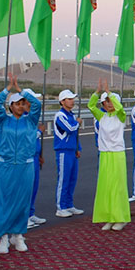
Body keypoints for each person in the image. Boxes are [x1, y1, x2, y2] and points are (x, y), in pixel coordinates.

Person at [0, 76, 42, 254]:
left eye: (22, 104)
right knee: (4, 201)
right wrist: (7, 90)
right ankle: (3, 237)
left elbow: (37, 106)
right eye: (17, 104)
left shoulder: (30, 120)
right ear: (11, 106)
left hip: (25, 166)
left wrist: (22, 91)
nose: (20, 106)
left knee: (22, 201)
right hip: (6, 165)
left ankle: (18, 235)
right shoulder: (3, 120)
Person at [88, 81, 132, 231]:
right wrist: (97, 92)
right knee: (106, 187)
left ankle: (121, 218)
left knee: (118, 187)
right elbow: (91, 106)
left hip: (117, 154)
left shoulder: (121, 116)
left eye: (110, 101)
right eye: (105, 101)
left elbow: (120, 109)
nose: (108, 104)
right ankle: (109, 217)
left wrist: (109, 92)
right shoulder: (102, 117)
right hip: (105, 154)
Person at [52, 89, 83, 218]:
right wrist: (77, 122)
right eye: (69, 99)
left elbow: (75, 135)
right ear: (62, 101)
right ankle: (61, 207)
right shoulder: (60, 116)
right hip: (63, 151)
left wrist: (78, 148)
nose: (72, 101)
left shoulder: (71, 115)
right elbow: (70, 129)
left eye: (72, 99)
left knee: (72, 179)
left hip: (72, 150)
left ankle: (69, 204)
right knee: (63, 179)